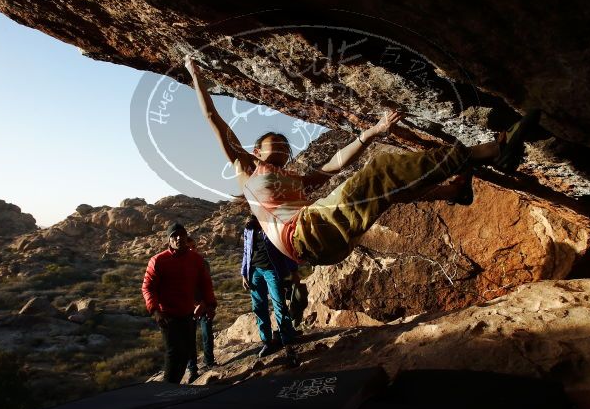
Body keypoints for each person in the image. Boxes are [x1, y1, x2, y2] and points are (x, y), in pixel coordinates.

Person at [184, 55, 539, 268]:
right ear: (256, 151)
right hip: (306, 235)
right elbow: (214, 120)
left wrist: (371, 133)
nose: (278, 143)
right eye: (269, 143)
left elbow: (335, 164)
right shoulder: (246, 170)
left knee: (383, 190)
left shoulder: (295, 181)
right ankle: (492, 151)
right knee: (382, 170)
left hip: (326, 245)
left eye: (282, 142)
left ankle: (451, 190)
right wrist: (196, 75)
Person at [142, 223, 217, 384]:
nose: (178, 238)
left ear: (186, 237)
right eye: (174, 235)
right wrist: (155, 311)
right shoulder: (158, 261)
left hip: (188, 314)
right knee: (173, 352)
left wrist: (210, 305)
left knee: (187, 351)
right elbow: (148, 287)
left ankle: (173, 386)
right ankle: (167, 389)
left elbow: (205, 283)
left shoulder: (196, 259)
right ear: (169, 240)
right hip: (167, 316)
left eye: (181, 234)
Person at [241, 215, 300, 364]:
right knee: (259, 307)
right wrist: (244, 274)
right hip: (255, 271)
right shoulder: (249, 228)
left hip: (272, 270)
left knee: (279, 304)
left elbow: (285, 246)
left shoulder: (272, 224)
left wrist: (293, 270)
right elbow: (246, 251)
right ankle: (267, 342)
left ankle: (287, 342)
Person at [185, 237, 217, 380]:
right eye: (189, 247)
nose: (193, 249)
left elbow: (207, 285)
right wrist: (193, 305)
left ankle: (209, 361)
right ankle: (192, 369)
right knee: (189, 338)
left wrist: (207, 304)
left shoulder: (204, 263)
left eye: (194, 246)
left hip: (203, 304)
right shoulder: (180, 265)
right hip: (187, 307)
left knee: (206, 334)